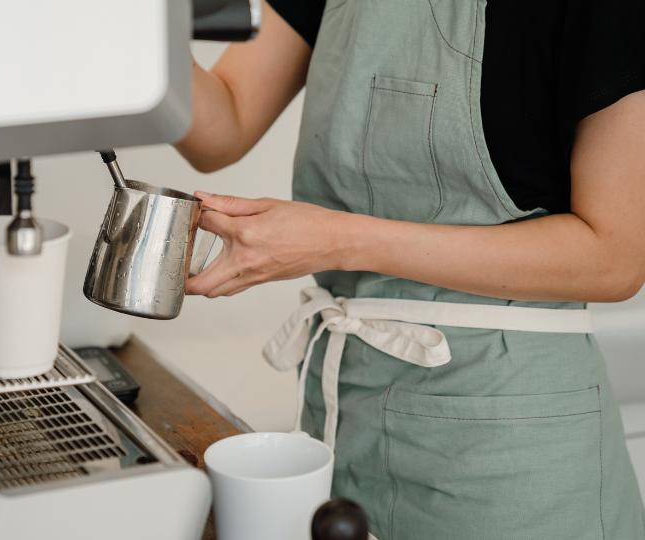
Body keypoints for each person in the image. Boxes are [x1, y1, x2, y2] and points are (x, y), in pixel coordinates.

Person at [178, 1, 645, 538]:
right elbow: (225, 121)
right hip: (344, 419)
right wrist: (138, 28)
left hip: (506, 445)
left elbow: (615, 257)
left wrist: (340, 241)